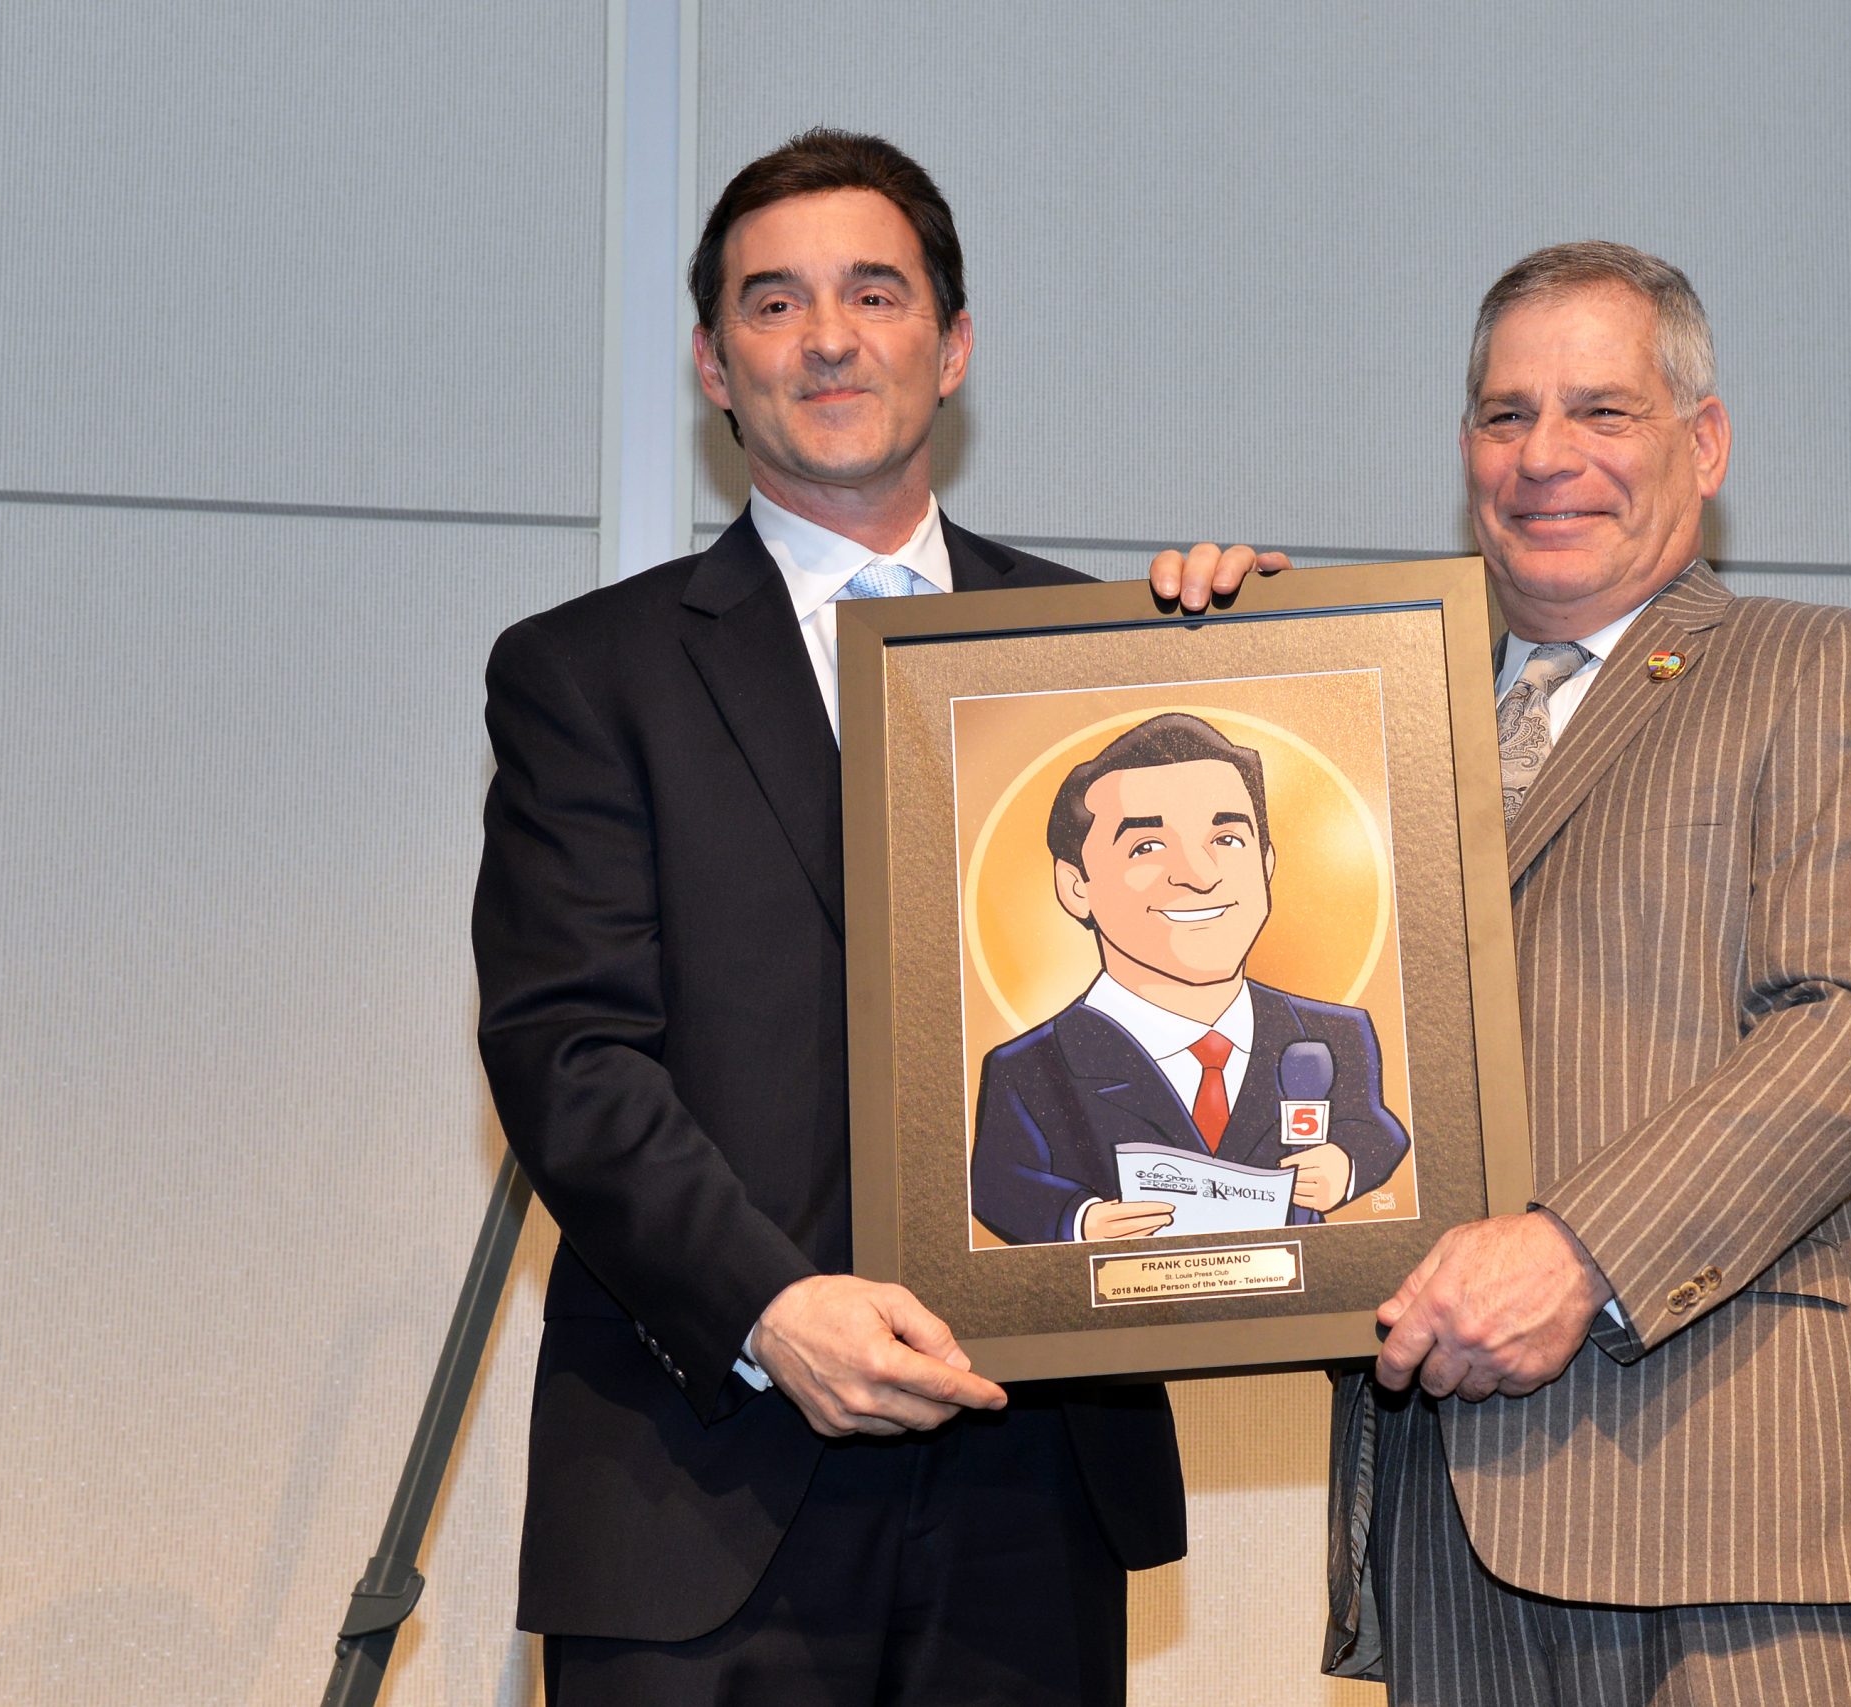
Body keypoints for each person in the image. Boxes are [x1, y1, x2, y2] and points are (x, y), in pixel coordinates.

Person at [472, 128, 1283, 1706]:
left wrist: (1282, 656)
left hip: (1031, 1476)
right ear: (714, 364)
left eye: (875, 293)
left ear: (953, 345)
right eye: (773, 303)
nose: (828, 338)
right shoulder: (587, 674)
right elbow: (566, 1053)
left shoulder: (1104, 653)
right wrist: (772, 1307)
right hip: (705, 1471)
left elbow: (1256, 925)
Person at [1325, 243, 1851, 1704]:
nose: (1544, 456)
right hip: (1450, 1528)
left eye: (1602, 411)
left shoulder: (1828, 667)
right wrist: (1209, 653)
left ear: (1705, 442)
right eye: (1506, 415)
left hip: (1749, 1514)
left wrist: (1577, 1252)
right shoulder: (1379, 723)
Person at [968, 712, 1410, 1246]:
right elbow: (999, 1184)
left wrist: (1345, 1164)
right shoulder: (1031, 1067)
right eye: (1147, 847)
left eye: (1227, 839)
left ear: (1266, 864)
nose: (1200, 876)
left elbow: (1373, 1125)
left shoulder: (1332, 1034)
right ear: (1076, 886)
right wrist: (1078, 1221)